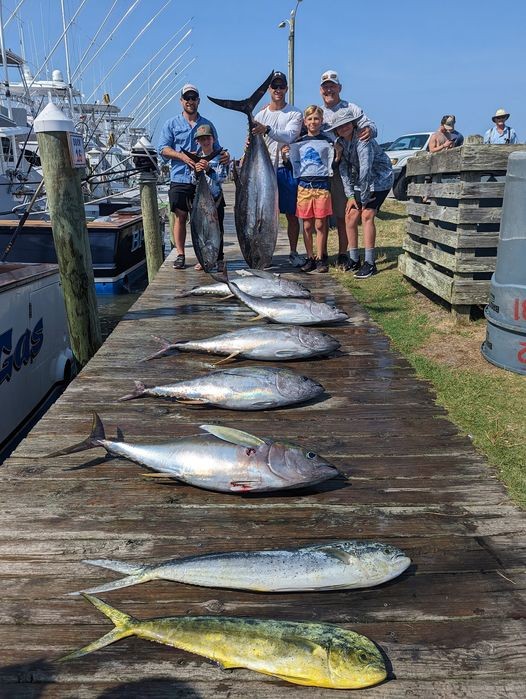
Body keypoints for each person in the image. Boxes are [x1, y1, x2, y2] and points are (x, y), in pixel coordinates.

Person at [158, 83, 229, 269]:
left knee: (205, 220)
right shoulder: (171, 124)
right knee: (180, 216)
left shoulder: (207, 124)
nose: (190, 101)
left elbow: (217, 148)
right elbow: (162, 149)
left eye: (193, 98)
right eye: (187, 98)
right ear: (181, 101)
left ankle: (206, 256)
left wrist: (224, 156)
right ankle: (181, 254)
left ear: (198, 101)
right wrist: (181, 156)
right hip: (180, 177)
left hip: (204, 180)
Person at [319, 70, 377, 271]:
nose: (329, 89)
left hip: (341, 168)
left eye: (332, 85)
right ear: (320, 90)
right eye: (325, 86)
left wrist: (371, 130)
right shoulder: (317, 112)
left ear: (339, 88)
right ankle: (321, 255)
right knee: (320, 217)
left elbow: (370, 126)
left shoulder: (351, 108)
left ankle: (344, 254)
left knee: (343, 213)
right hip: (321, 170)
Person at [327, 107, 393, 279]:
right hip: (361, 183)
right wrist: (350, 196)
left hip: (380, 178)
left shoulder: (363, 139)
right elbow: (343, 171)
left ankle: (370, 263)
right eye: (339, 126)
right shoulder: (340, 144)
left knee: (367, 215)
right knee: (350, 215)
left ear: (353, 123)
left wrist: (363, 199)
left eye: (346, 124)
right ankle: (354, 259)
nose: (343, 128)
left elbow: (365, 169)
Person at [251, 71, 305, 266]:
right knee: (264, 215)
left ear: (286, 89)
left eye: (281, 86)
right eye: (274, 86)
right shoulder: (259, 115)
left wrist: (267, 129)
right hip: (263, 172)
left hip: (285, 168)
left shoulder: (294, 113)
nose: (278, 90)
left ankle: (292, 251)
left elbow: (289, 135)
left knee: (291, 214)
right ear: (269, 89)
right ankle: (264, 253)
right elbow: (252, 140)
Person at [289, 105, 334, 273]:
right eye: (310, 119)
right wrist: (286, 155)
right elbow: (294, 163)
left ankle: (321, 257)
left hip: (322, 186)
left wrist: (337, 154)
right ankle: (309, 256)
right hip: (304, 187)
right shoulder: (299, 143)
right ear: (305, 122)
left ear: (321, 121)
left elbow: (332, 163)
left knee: (321, 224)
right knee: (307, 225)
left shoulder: (327, 141)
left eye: (316, 118)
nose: (313, 122)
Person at [190, 123, 228, 271]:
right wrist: (197, 170)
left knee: (219, 230)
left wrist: (208, 169)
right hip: (201, 203)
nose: (205, 142)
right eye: (202, 139)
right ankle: (202, 258)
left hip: (217, 199)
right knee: (200, 230)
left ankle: (219, 259)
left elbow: (223, 177)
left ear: (213, 139)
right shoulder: (195, 158)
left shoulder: (222, 157)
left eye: (208, 138)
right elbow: (192, 180)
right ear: (197, 141)